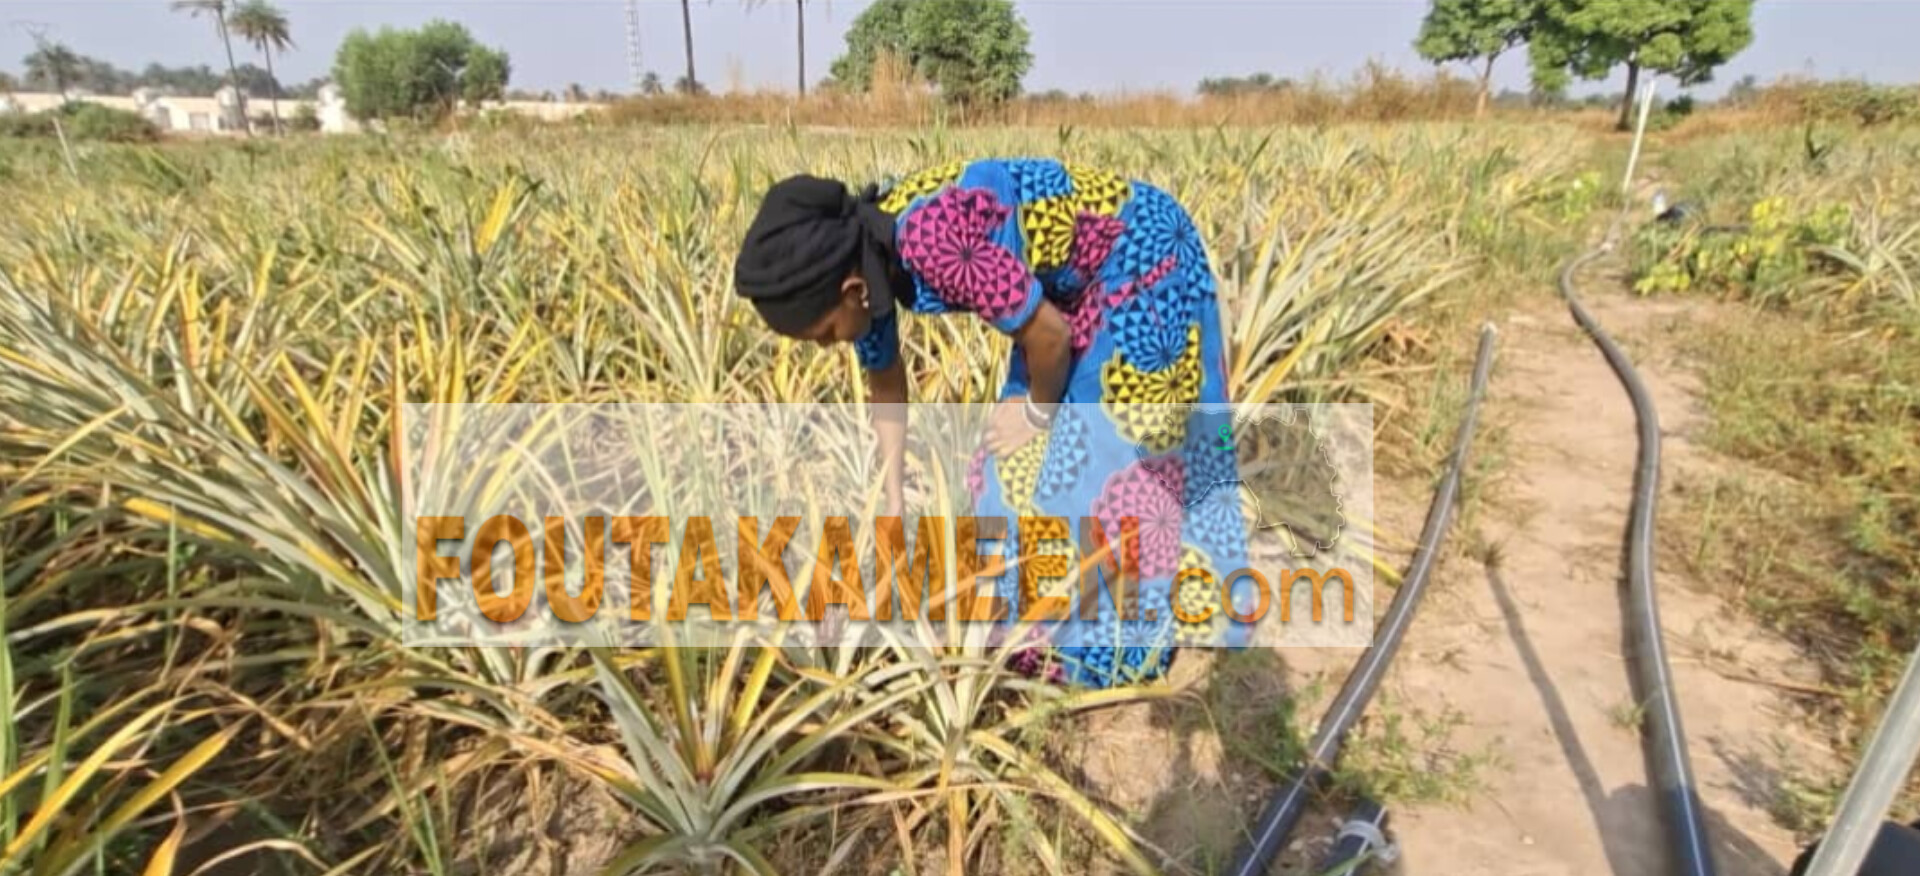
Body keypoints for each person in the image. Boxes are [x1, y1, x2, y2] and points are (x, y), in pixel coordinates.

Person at [733, 158, 1251, 689]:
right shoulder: (865, 256)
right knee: (1004, 469)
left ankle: (1118, 652)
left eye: (823, 332)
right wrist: (891, 500)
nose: (825, 345)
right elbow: (886, 382)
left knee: (1111, 465)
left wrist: (1035, 412)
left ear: (850, 291)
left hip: (1139, 260)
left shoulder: (928, 243)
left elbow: (1048, 336)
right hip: (1066, 294)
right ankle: (1029, 628)